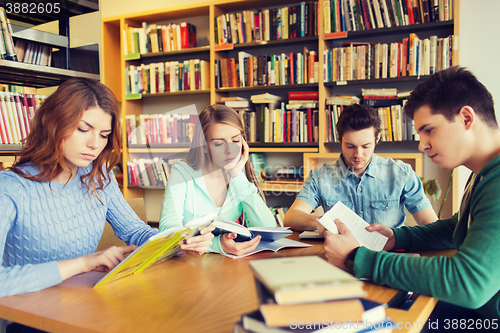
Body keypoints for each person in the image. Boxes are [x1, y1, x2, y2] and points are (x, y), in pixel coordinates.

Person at [0, 78, 214, 299]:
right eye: (84, 129)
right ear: (52, 122)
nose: (95, 143)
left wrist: (180, 243)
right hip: (29, 316)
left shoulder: (99, 176)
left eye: (104, 135)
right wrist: (84, 263)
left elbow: (137, 232)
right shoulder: (9, 187)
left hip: (83, 302)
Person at [323, 66, 500, 321]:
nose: (422, 144)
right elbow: (456, 227)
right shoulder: (483, 172)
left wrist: (357, 257)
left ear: (466, 118)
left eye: (429, 130)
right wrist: (396, 238)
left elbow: (468, 282)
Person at [284, 103, 437, 231]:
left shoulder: (401, 173)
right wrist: (320, 222)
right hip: (338, 258)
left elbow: (431, 225)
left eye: (366, 146)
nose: (358, 154)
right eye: (350, 146)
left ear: (377, 139)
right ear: (339, 139)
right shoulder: (320, 176)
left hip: (388, 259)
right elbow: (291, 217)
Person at [159, 104, 277, 256]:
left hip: (226, 267)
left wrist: (238, 176)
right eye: (219, 143)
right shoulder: (182, 172)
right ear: (203, 146)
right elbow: (168, 231)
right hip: (187, 266)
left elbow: (268, 229)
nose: (230, 150)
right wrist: (216, 245)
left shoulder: (239, 176)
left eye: (235, 141)